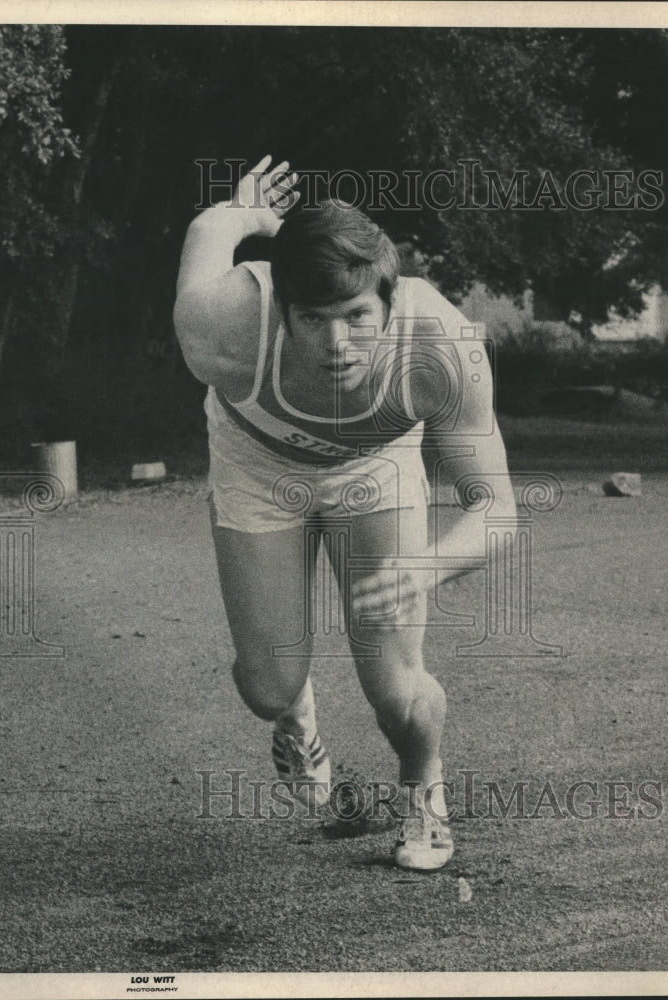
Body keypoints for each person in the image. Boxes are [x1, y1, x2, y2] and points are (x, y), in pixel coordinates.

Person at [174, 156, 515, 871]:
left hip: (375, 466)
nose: (338, 345)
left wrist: (428, 565)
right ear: (282, 306)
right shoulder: (223, 323)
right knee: (268, 687)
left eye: (358, 315)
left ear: (390, 301)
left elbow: (497, 508)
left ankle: (425, 793)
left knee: (395, 685)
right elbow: (209, 229)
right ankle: (299, 716)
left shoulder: (442, 347)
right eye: (314, 319)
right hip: (258, 465)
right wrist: (246, 215)